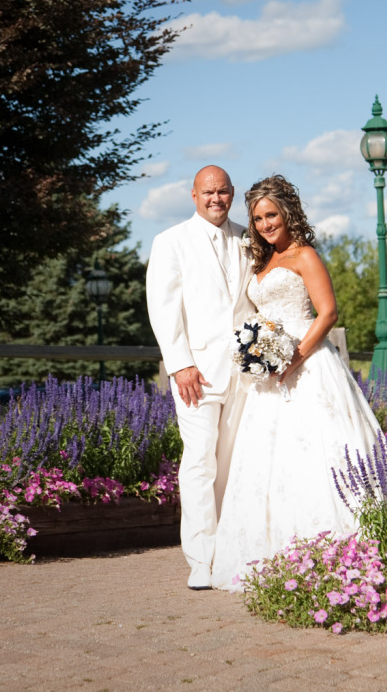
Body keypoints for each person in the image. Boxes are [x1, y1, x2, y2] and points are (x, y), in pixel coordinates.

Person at [210, 175, 387, 592]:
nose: (265, 224)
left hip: (306, 364)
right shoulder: (262, 261)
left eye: (271, 215)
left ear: (287, 213)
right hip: (268, 375)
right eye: (257, 219)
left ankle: (333, 552)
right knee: (267, 461)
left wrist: (292, 358)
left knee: (320, 453)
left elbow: (327, 314)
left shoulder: (304, 255)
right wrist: (258, 354)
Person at [146, 165, 255, 590]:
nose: (217, 199)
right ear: (193, 195)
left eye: (224, 192)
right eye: (208, 192)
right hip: (196, 374)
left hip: (245, 374)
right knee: (198, 463)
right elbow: (163, 307)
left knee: (232, 464)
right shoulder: (170, 241)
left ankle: (230, 550)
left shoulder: (249, 237)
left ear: (232, 194)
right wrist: (179, 363)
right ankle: (201, 560)